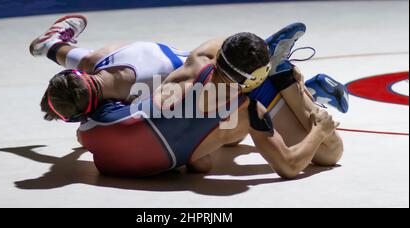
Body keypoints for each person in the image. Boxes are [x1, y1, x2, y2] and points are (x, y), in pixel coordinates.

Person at [76, 23, 346, 179]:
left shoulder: (197, 62)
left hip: (217, 88)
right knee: (330, 152)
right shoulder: (249, 109)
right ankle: (286, 80)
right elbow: (289, 166)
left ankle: (282, 75)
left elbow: (198, 163)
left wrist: (194, 156)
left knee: (225, 138)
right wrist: (319, 129)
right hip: (237, 96)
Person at [30, 15, 189, 122]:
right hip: (197, 60)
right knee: (89, 63)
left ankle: (49, 45)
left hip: (204, 83)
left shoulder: (136, 106)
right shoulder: (98, 58)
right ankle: (50, 45)